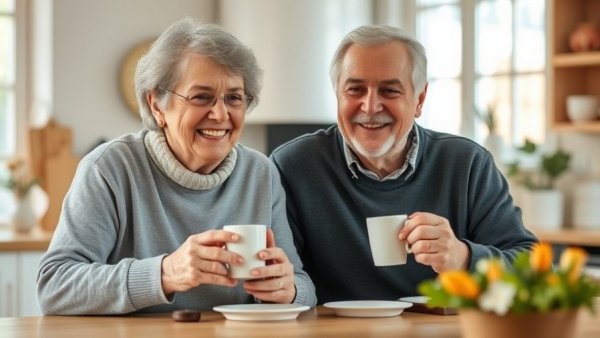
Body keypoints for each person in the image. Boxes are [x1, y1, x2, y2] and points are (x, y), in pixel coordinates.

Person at [37, 17, 316, 315]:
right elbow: (55, 287)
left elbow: (302, 284)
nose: (220, 114)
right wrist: (165, 273)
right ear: (157, 105)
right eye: (201, 97)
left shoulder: (260, 173)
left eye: (234, 98)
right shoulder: (110, 169)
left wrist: (288, 290)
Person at [270, 25, 538, 304]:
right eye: (355, 89)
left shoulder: (467, 164)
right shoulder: (293, 166)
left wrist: (463, 257)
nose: (371, 106)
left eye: (389, 90)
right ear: (338, 95)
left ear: (419, 100)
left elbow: (531, 267)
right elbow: (284, 279)